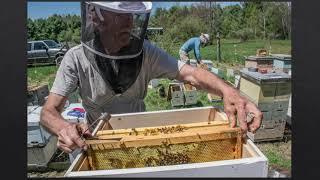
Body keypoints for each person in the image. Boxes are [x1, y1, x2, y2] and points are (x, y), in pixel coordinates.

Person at [40, 2, 262, 154]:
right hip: (97, 139)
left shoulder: (147, 52)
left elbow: (191, 74)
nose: (129, 22)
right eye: (120, 15)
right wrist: (63, 128)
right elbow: (48, 112)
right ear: (95, 17)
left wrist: (228, 90)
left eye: (132, 14)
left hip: (142, 137)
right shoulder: (75, 58)